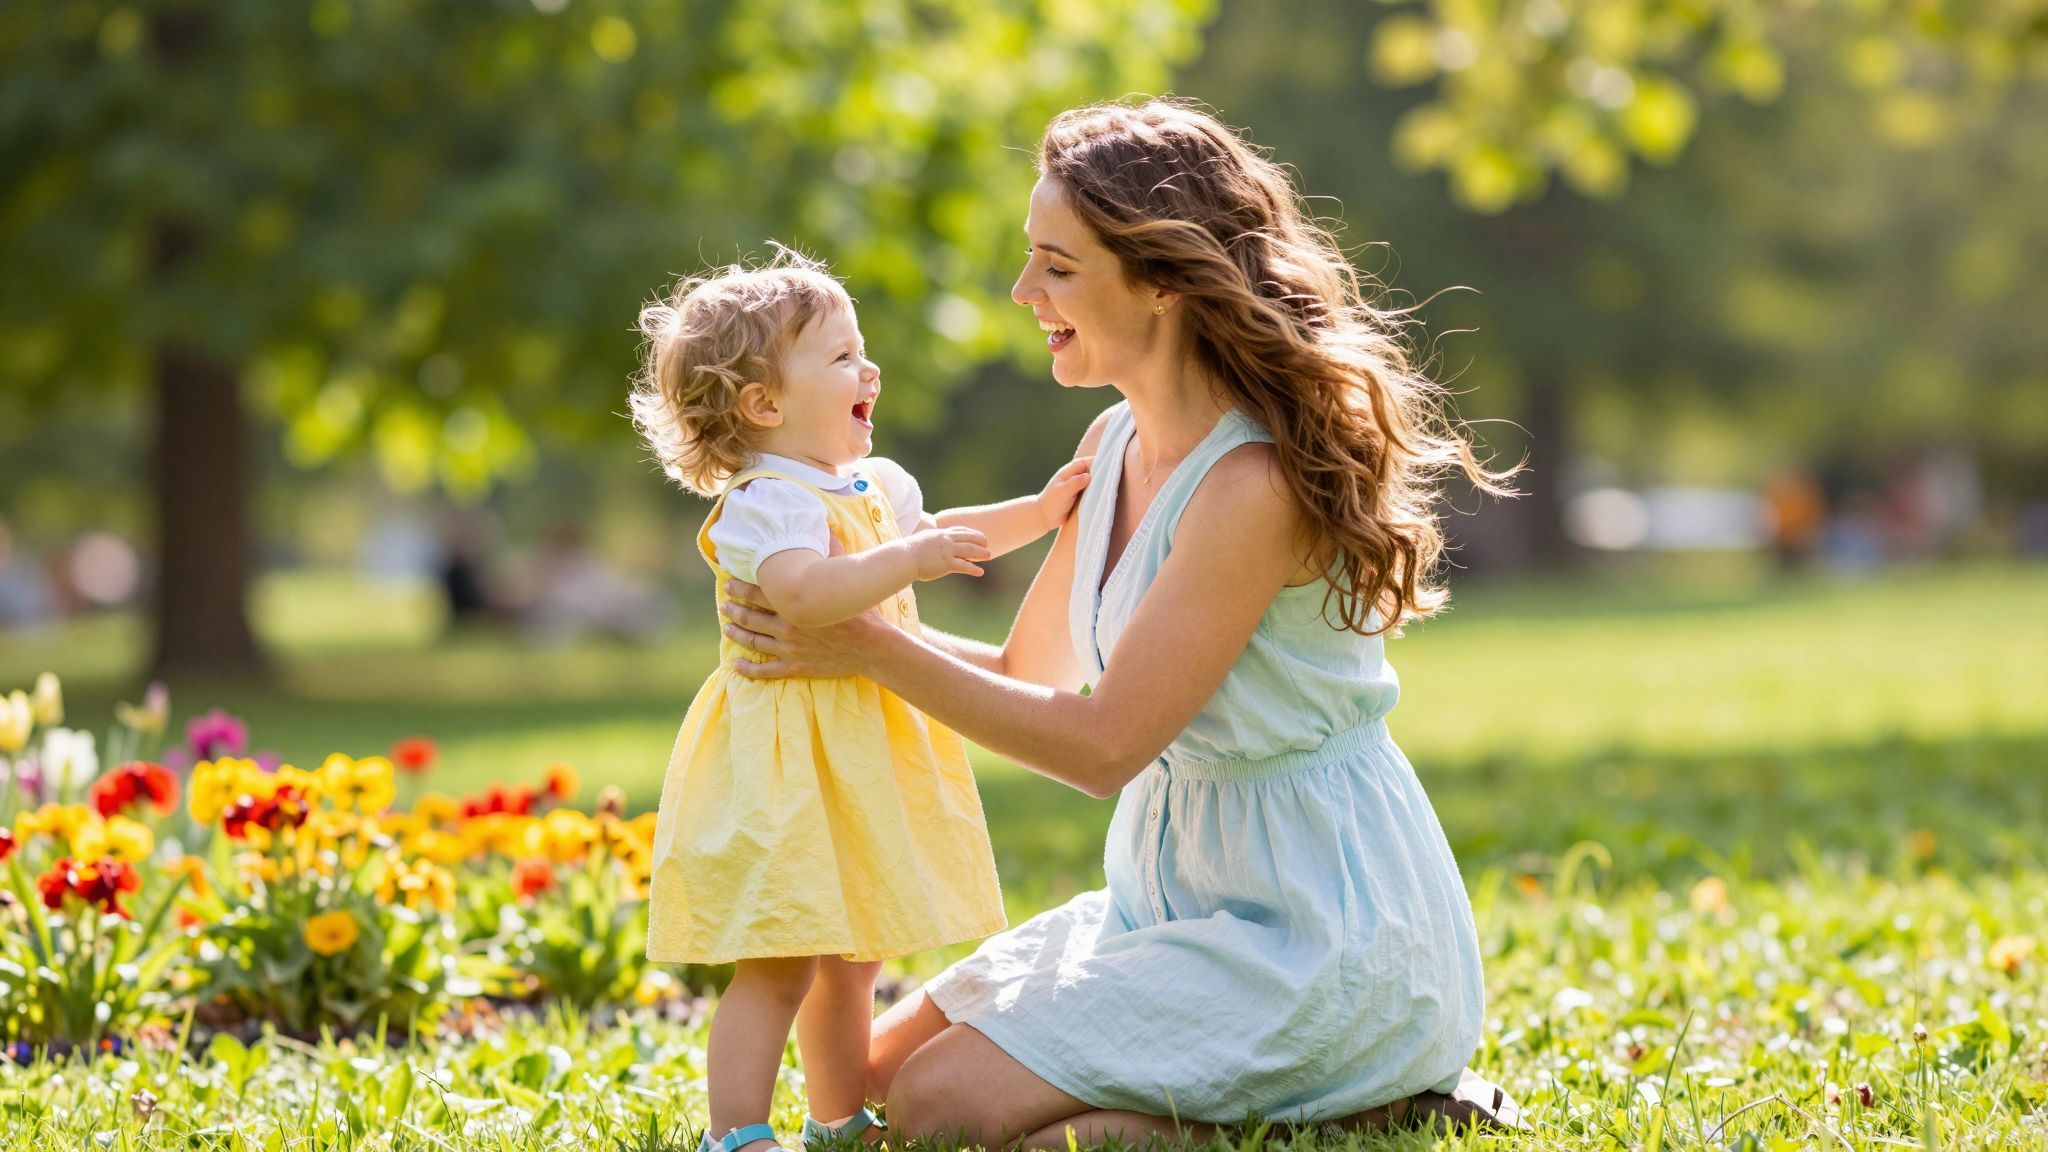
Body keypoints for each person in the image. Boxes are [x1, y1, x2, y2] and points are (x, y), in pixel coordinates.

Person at [715, 101, 1526, 1145]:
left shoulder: (1250, 485)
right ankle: (1247, 1106)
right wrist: (827, 647)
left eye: (1056, 266)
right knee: (876, 1074)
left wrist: (863, 643)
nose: (1023, 292)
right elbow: (1028, 670)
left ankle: (1349, 1108)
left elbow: (1102, 747)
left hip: (1317, 926)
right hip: (1171, 899)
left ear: (1162, 282)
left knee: (937, 1109)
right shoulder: (1111, 442)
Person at [630, 250, 1094, 1152]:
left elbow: (941, 531)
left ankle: (837, 1120)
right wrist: (907, 561)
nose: (869, 370)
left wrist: (1039, 514)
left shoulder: (871, 486)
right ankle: (736, 1133)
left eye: (862, 349)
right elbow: (805, 594)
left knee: (854, 956)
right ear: (764, 404)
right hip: (787, 764)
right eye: (842, 358)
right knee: (780, 959)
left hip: (857, 757)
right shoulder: (766, 502)